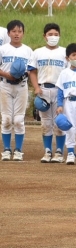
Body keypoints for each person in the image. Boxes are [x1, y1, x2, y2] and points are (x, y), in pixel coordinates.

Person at [29, 23, 68, 163]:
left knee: (59, 122)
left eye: (56, 34)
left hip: (60, 90)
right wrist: (36, 87)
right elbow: (32, 71)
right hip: (43, 90)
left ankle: (59, 152)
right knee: (46, 123)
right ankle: (47, 151)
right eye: (50, 34)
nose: (53, 37)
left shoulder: (65, 52)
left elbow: (69, 73)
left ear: (60, 36)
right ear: (44, 36)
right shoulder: (37, 52)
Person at [0, 20, 34, 161]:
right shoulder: (2, 49)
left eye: (19, 31)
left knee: (19, 120)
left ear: (23, 33)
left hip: (21, 86)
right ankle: (7, 149)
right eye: (13, 31)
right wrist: (7, 75)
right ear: (8, 33)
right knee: (6, 119)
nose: (16, 34)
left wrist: (23, 74)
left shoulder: (28, 50)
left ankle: (18, 150)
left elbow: (31, 70)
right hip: (5, 85)